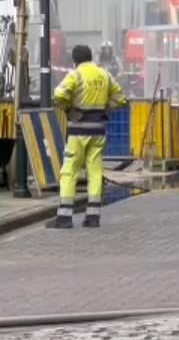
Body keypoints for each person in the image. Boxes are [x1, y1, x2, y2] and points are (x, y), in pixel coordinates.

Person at [48, 44, 128, 229]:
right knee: (95, 171)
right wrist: (105, 107)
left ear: (75, 60)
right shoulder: (104, 75)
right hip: (98, 130)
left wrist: (69, 108)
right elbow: (121, 99)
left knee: (70, 171)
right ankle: (93, 216)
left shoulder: (75, 75)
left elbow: (59, 94)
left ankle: (65, 217)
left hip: (78, 131)